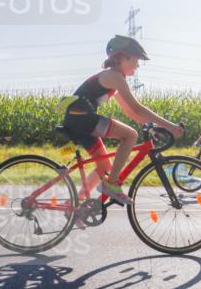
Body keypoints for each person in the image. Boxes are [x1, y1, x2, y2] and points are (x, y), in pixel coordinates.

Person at [58, 35, 184, 205]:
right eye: (136, 60)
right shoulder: (114, 77)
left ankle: (74, 205)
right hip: (82, 119)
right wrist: (170, 126)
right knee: (131, 135)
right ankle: (112, 184)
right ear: (122, 58)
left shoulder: (114, 79)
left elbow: (130, 111)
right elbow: (138, 108)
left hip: (78, 120)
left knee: (105, 167)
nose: (138, 65)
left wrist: (150, 126)